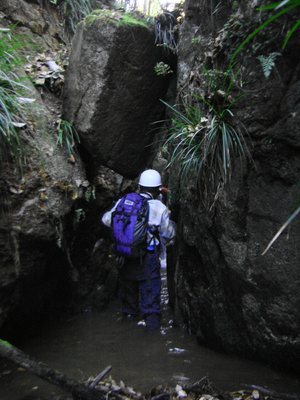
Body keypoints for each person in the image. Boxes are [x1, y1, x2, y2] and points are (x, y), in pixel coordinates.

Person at [101, 169, 176, 330]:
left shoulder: (125, 201)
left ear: (140, 187)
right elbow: (168, 233)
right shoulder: (159, 207)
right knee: (151, 307)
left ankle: (127, 335)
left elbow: (107, 220)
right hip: (147, 259)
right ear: (157, 189)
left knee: (129, 305)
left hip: (125, 257)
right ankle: (151, 342)